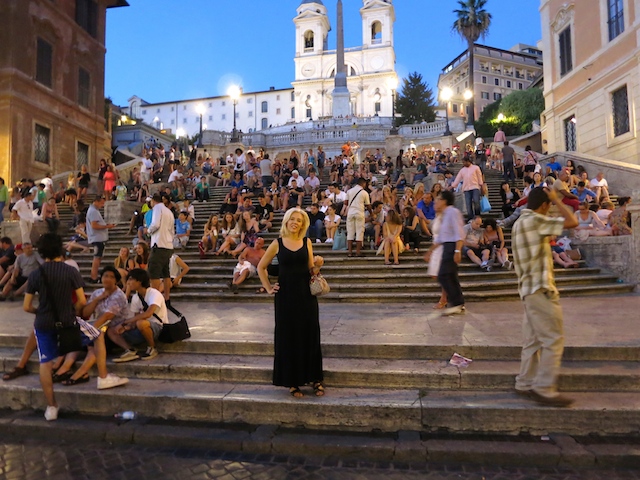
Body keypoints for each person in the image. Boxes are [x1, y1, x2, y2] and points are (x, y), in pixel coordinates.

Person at [511, 187, 579, 407]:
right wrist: (558, 200)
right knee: (553, 339)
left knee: (532, 341)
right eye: (549, 206)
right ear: (544, 205)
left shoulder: (519, 222)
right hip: (540, 288)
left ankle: (524, 382)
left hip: (527, 289)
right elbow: (572, 222)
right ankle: (544, 388)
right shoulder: (535, 220)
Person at [257, 208, 325, 398]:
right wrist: (268, 288)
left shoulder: (306, 242)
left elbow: (311, 270)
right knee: (289, 337)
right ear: (286, 221)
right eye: (292, 219)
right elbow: (261, 267)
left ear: (303, 224)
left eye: (299, 220)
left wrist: (318, 265)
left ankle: (315, 378)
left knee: (310, 335)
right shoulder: (277, 243)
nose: (295, 222)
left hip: (306, 296)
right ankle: (292, 381)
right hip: (285, 297)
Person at [23, 233, 86, 421]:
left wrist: (40, 312)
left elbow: (26, 306)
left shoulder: (36, 274)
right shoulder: (70, 271)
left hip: (44, 323)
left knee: (45, 363)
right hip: (67, 321)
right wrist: (71, 310)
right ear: (60, 248)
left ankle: (51, 406)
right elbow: (82, 301)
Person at [108, 268, 167, 362]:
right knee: (111, 330)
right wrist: (127, 327)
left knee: (141, 323)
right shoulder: (136, 297)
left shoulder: (154, 293)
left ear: (140, 281)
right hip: (141, 328)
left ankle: (152, 348)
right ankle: (130, 350)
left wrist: (125, 322)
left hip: (158, 327)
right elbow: (135, 318)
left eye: (131, 279)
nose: (128, 283)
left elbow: (148, 314)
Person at [430, 190, 465, 316]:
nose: (437, 201)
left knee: (443, 275)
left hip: (452, 246)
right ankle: (459, 303)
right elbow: (441, 237)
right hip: (446, 246)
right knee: (451, 276)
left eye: (439, 199)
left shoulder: (452, 212)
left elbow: (459, 232)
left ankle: (456, 303)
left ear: (444, 201)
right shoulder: (444, 215)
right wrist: (430, 250)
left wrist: (457, 250)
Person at [147, 193, 175, 303]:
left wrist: (148, 231)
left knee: (154, 273)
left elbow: (155, 224)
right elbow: (172, 230)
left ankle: (154, 300)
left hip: (158, 244)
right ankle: (167, 298)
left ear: (153, 201)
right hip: (168, 245)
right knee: (165, 273)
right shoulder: (169, 211)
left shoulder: (157, 208)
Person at [86, 195, 116, 283]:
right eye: (101, 203)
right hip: (97, 238)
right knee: (97, 257)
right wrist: (107, 226)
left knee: (98, 257)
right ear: (96, 201)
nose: (102, 205)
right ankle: (93, 276)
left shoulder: (93, 210)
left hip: (98, 237)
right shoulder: (93, 211)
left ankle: (94, 276)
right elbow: (94, 225)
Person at [345, 178, 371, 257]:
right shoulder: (364, 193)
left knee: (350, 232)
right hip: (359, 213)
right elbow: (368, 205)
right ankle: (358, 252)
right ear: (363, 183)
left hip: (350, 213)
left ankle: (350, 252)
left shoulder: (349, 191)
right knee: (359, 232)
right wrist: (372, 213)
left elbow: (345, 202)